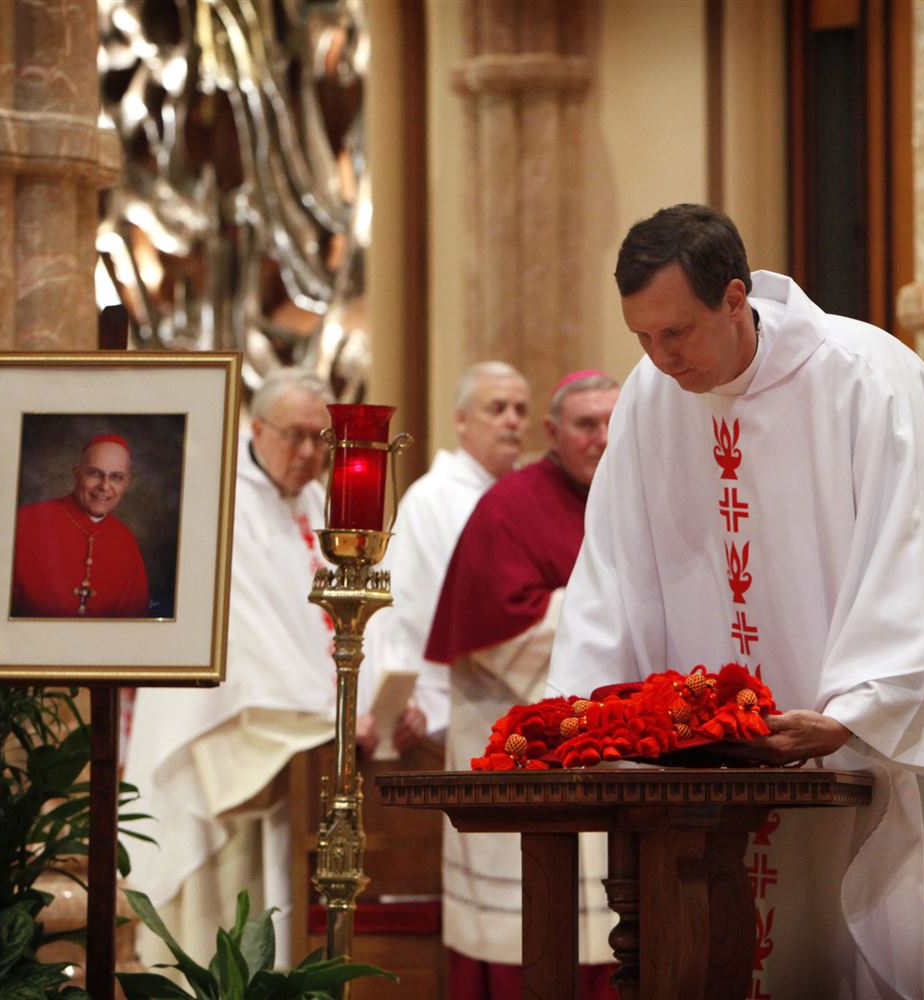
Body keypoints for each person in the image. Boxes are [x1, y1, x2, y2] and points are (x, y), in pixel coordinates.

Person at [548, 204, 924, 999]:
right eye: (641, 337)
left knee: (886, 950)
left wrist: (858, 711)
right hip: (731, 768)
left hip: (904, 735)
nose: (659, 359)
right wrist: (586, 715)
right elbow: (613, 568)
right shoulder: (648, 397)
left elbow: (916, 553)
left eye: (677, 333)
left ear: (735, 298)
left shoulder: (860, 376)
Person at [126, 369, 340, 967]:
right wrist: (332, 711)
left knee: (272, 884)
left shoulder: (315, 501)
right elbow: (250, 636)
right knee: (219, 897)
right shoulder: (222, 501)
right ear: (258, 428)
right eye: (294, 436)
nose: (308, 454)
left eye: (320, 439)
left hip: (291, 732)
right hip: (224, 729)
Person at [423, 371, 621, 1000]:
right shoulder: (510, 505)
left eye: (614, 422)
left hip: (608, 753)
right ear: (553, 433)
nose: (603, 438)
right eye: (588, 424)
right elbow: (498, 630)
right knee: (528, 942)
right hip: (516, 742)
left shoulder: (631, 495)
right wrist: (607, 607)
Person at [357, 361, 531, 756]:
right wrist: (402, 699)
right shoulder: (432, 500)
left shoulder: (530, 496)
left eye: (520, 410)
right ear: (462, 420)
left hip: (521, 699)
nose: (512, 421)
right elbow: (405, 611)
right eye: (497, 408)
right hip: (450, 704)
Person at [10, 433, 149, 617]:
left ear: (127, 483)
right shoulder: (23, 522)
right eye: (95, 473)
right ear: (77, 473)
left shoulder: (126, 542)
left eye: (116, 477)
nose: (105, 486)